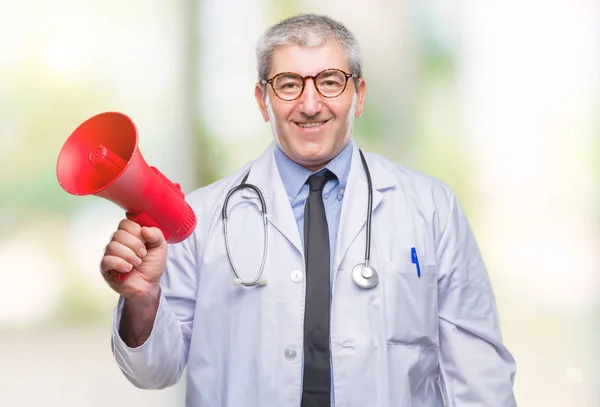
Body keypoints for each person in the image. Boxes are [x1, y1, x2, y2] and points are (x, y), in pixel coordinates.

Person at [100, 13, 517, 407]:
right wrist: (143, 299)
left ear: (358, 95)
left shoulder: (430, 207)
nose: (311, 104)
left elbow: (480, 376)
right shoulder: (203, 217)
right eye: (288, 84)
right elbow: (154, 371)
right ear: (263, 100)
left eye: (330, 82)